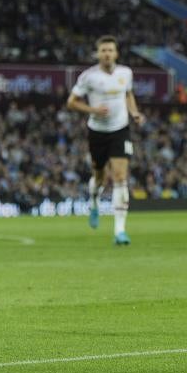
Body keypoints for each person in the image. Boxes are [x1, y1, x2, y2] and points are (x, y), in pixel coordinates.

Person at [67, 35, 145, 245]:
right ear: (98, 54)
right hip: (97, 132)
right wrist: (92, 110)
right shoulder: (88, 77)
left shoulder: (125, 73)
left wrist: (134, 112)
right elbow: (71, 103)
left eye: (110, 50)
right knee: (100, 177)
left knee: (120, 176)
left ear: (116, 53)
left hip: (120, 129)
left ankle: (120, 231)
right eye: (103, 50)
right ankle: (94, 200)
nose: (107, 54)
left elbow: (128, 94)